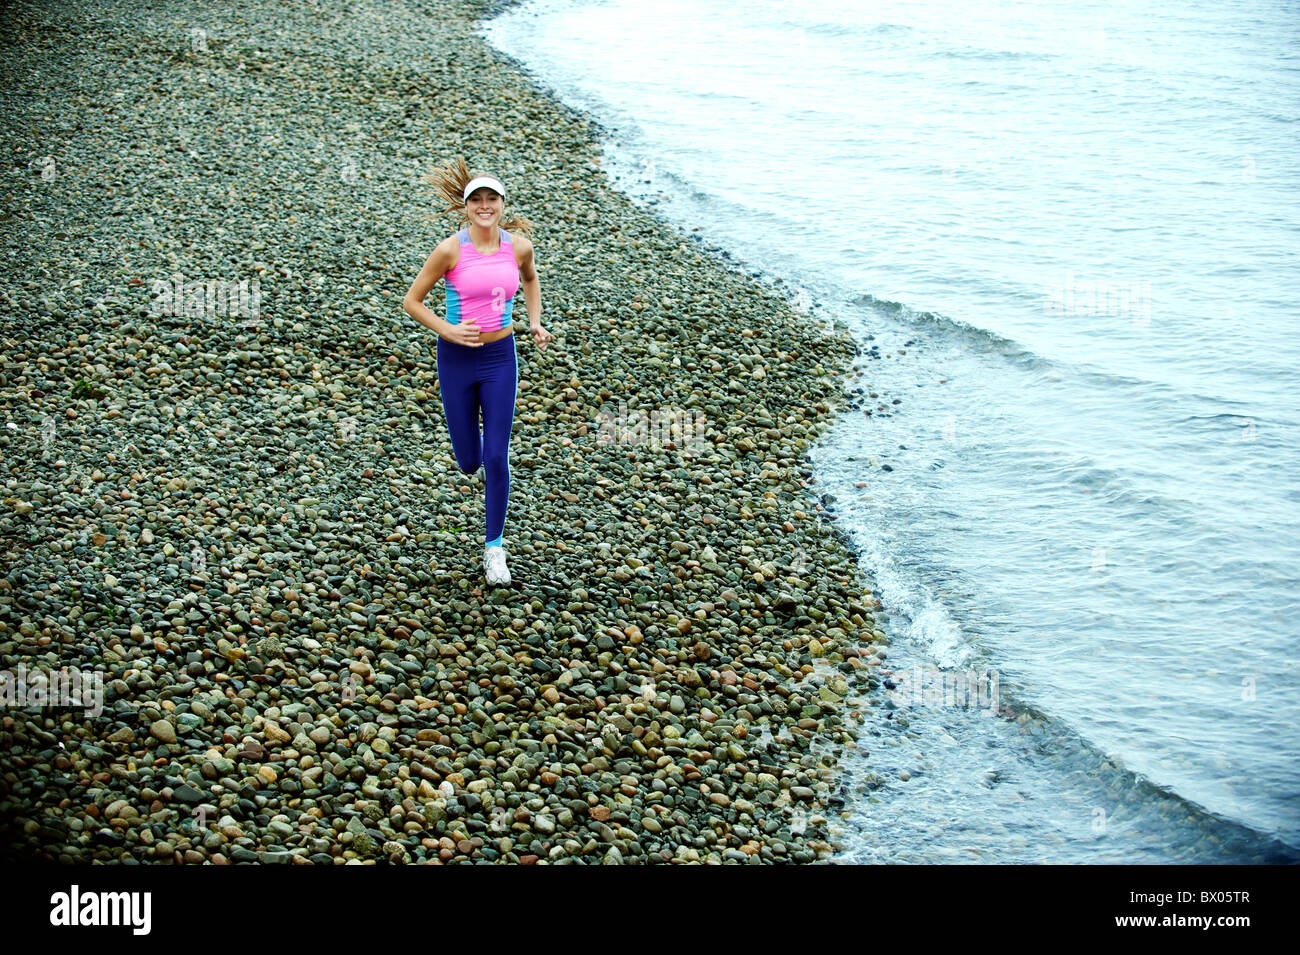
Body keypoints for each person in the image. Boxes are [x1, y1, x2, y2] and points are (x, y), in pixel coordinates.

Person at [403, 158, 551, 585]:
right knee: (470, 461)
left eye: (492, 199)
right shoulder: (451, 249)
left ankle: (494, 550)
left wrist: (534, 321)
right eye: (477, 200)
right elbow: (412, 301)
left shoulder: (518, 246)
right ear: (466, 207)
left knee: (497, 455)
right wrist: (447, 328)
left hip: (500, 356)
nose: (484, 205)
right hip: (455, 359)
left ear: (502, 204)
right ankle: (479, 457)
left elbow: (530, 279)